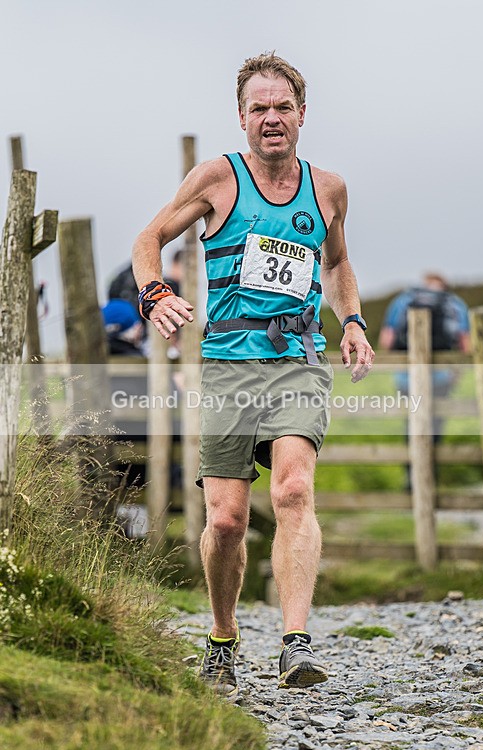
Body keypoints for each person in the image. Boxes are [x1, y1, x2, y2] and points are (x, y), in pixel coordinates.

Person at [132, 52, 374, 702]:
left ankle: (295, 641)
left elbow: (338, 260)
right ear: (242, 117)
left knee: (293, 490)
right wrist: (154, 293)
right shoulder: (217, 178)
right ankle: (221, 634)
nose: (272, 118)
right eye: (259, 108)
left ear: (301, 114)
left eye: (282, 107)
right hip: (228, 367)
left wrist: (350, 320)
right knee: (229, 518)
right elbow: (147, 238)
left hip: (296, 358)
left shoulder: (328, 188)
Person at [379, 272, 470, 443]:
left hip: (407, 377)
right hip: (442, 377)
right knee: (436, 422)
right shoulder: (455, 303)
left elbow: (386, 341)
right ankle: (433, 465)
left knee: (411, 422)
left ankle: (412, 467)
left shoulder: (402, 301)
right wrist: (458, 373)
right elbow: (465, 345)